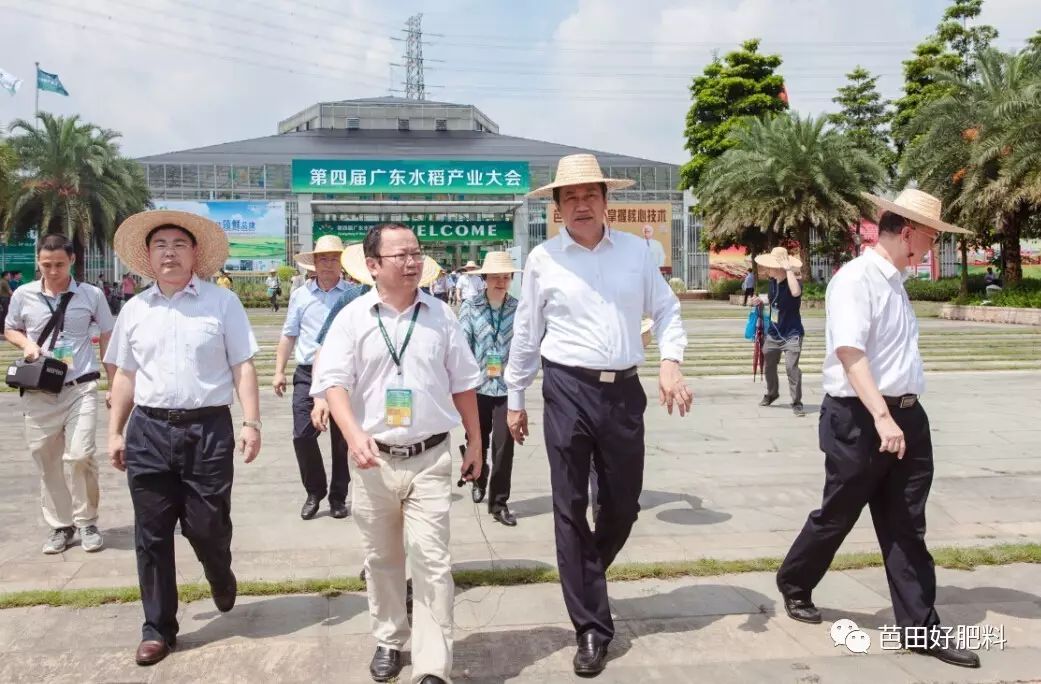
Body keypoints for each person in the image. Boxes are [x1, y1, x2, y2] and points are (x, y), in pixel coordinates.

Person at [776, 189, 980, 669]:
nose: (933, 245)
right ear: (908, 232)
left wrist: (901, 415)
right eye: (931, 236)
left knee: (907, 523)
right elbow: (851, 354)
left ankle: (919, 627)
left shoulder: (897, 283)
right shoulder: (856, 280)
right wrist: (882, 416)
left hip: (908, 416)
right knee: (838, 513)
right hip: (859, 419)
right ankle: (795, 581)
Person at [504, 154, 692, 676]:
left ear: (607, 201)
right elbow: (526, 332)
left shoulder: (637, 253)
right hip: (566, 387)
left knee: (624, 504)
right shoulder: (543, 259)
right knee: (568, 506)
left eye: (590, 195)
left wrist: (670, 364)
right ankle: (591, 626)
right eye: (570, 197)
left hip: (624, 392)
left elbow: (668, 311)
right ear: (558, 207)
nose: (581, 205)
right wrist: (515, 397)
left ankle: (585, 575)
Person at [313, 223, 482, 684]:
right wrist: (352, 435)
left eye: (416, 253)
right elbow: (333, 384)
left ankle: (432, 667)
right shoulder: (352, 318)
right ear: (372, 266)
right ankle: (389, 638)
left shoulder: (442, 315)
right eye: (400, 255)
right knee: (383, 559)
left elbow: (464, 382)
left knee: (432, 560)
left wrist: (476, 441)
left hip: (430, 457)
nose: (412, 262)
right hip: (373, 460)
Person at [105, 210, 261, 666]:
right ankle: (158, 628)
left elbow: (243, 366)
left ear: (195, 254)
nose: (169, 252)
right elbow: (124, 376)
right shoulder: (134, 310)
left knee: (206, 525)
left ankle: (219, 570)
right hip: (149, 431)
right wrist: (115, 431)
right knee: (151, 534)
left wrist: (250, 423)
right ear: (148, 258)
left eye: (178, 244)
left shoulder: (221, 303)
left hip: (208, 429)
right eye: (160, 246)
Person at [4, 234, 115, 555]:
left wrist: (113, 382)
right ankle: (60, 526)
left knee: (81, 454)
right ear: (38, 262)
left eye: (59, 265)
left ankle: (87, 521)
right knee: (47, 460)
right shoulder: (23, 294)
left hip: (81, 385)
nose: (52, 271)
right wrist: (26, 344)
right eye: (46, 264)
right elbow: (10, 328)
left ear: (72, 262)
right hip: (39, 389)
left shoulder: (91, 295)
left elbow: (108, 334)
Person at [273, 235, 352, 520]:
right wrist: (280, 370)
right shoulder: (301, 295)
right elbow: (289, 333)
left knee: (342, 440)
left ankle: (339, 496)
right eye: (323, 259)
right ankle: (314, 491)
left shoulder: (352, 295)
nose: (328, 264)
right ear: (314, 264)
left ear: (341, 263)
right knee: (302, 435)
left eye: (334, 259)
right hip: (307, 373)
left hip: (342, 374)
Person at [457, 251, 521, 526]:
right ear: (484, 278)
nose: (501, 281)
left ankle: (499, 503)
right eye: (495, 276)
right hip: (477, 388)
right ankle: (478, 478)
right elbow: (461, 346)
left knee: (504, 447)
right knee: (477, 439)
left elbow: (525, 347)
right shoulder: (471, 307)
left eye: (505, 277)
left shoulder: (519, 308)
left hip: (507, 388)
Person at [755, 247, 805, 416]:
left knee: (791, 367)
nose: (767, 270)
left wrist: (789, 269)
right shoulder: (772, 283)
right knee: (768, 363)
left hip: (792, 333)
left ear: (779, 268)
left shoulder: (794, 281)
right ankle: (772, 393)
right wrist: (760, 299)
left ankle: (796, 402)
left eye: (770, 267)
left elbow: (795, 292)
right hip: (774, 332)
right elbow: (771, 299)